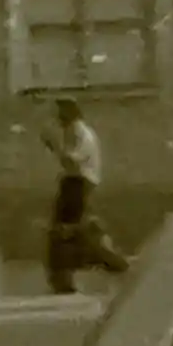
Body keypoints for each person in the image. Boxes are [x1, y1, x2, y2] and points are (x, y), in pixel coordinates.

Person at [42, 98, 129, 293]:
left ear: (68, 113)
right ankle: (103, 262)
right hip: (74, 182)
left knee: (67, 230)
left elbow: (72, 163)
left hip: (79, 183)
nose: (56, 119)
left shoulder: (83, 135)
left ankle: (70, 275)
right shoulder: (73, 132)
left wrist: (54, 146)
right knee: (75, 229)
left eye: (59, 114)